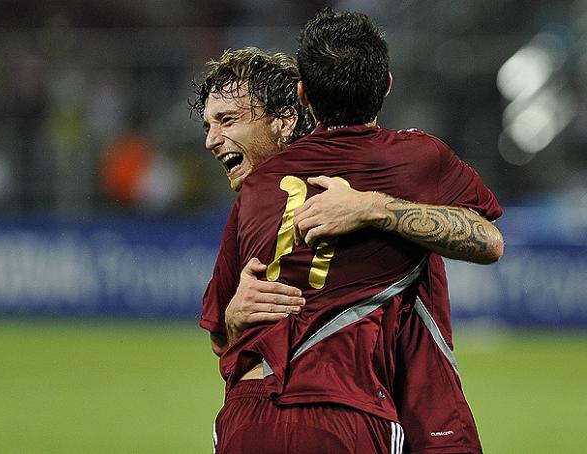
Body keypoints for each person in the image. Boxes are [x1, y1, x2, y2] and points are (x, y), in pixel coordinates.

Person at [196, 10, 502, 453]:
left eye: (228, 120)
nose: (212, 139)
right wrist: (232, 315)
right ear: (387, 84)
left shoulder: (261, 188)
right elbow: (488, 240)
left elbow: (219, 339)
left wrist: (370, 207)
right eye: (211, 124)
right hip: (352, 412)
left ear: (299, 100)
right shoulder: (415, 161)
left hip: (246, 418)